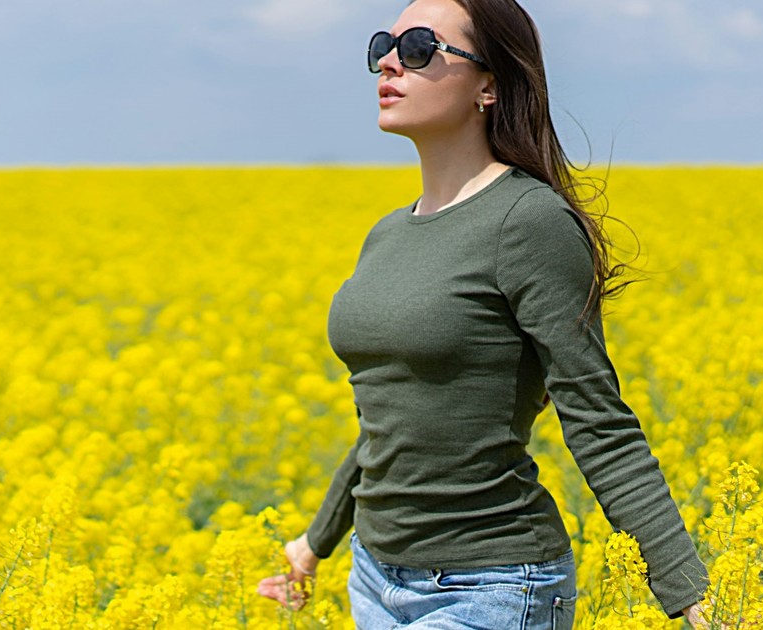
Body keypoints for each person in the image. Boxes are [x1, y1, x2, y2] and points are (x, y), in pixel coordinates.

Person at [255, 0, 713, 628]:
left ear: (488, 86)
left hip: (489, 587)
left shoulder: (530, 222)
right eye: (383, 47)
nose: (389, 63)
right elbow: (390, 423)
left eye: (419, 47)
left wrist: (700, 600)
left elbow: (598, 421)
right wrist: (314, 546)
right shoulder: (387, 234)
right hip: (374, 580)